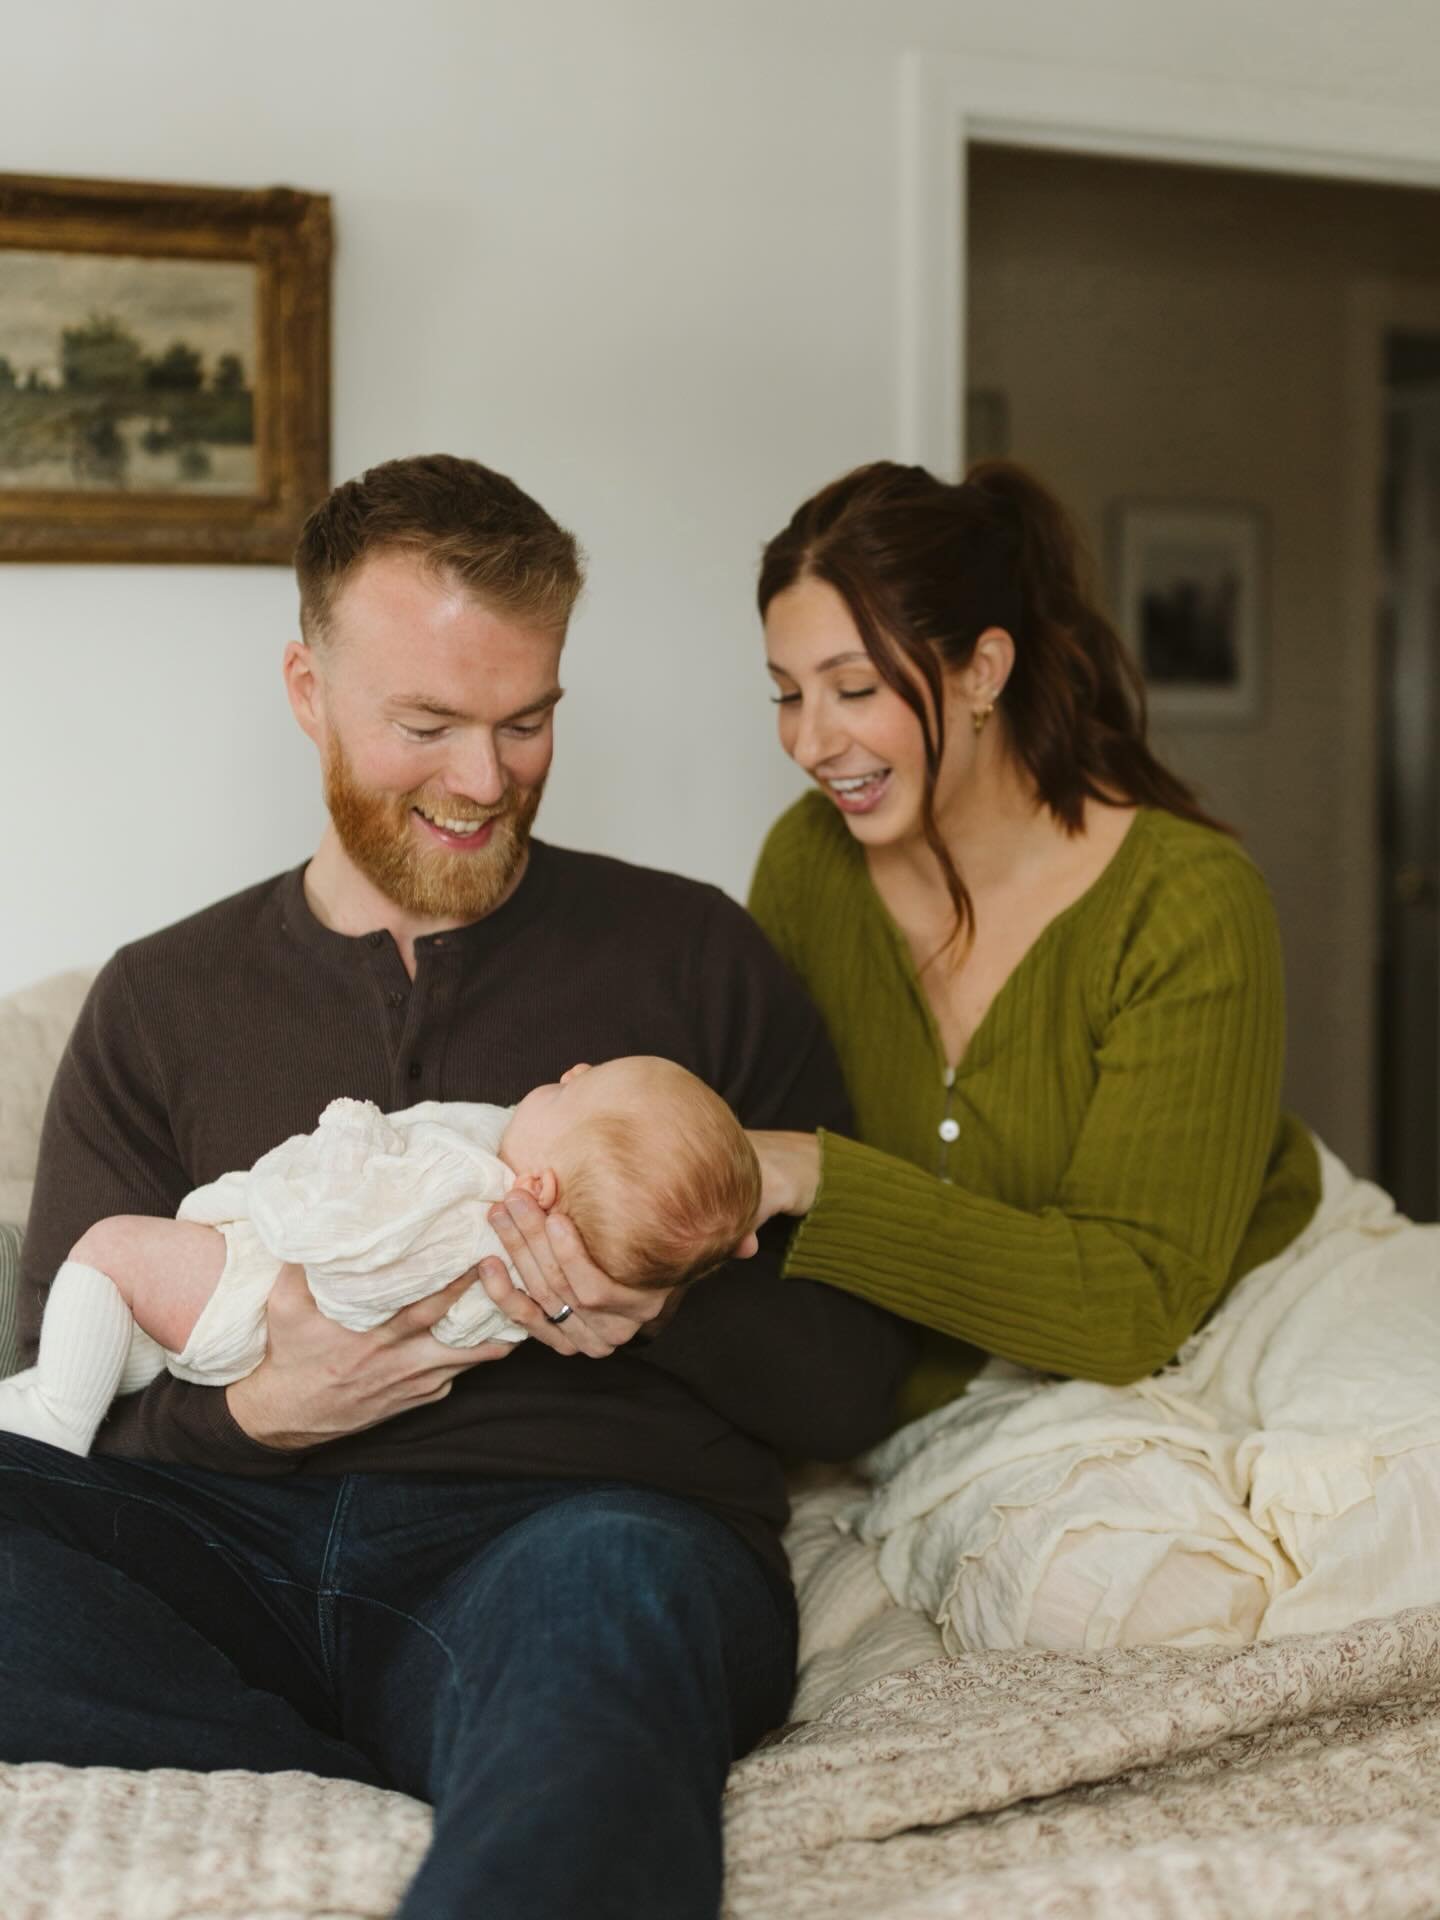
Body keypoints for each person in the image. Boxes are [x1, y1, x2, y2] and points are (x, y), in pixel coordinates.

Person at [0, 454, 913, 1920]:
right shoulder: (161, 1002)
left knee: (617, 1603)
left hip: (569, 1529)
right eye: (427, 724)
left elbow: (851, 1390)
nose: (486, 780)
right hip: (221, 1554)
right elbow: (65, 1391)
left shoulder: (696, 962)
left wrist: (658, 1302)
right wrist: (252, 1413)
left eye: (527, 721)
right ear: (309, 690)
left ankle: (498, 1750)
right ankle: (382, 1749)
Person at [743, 458, 1322, 1427]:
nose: (810, 743)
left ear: (983, 671)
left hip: (1210, 1338)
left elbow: (1130, 1305)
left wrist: (814, 1174)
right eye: (786, 694)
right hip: (927, 1386)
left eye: (853, 688)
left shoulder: (1186, 907)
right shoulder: (807, 866)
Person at [0, 1056, 761, 1458]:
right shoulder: (522, 1215)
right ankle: (52, 1404)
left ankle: (57, 1421)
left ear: (539, 1187)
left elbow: (347, 1250)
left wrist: (350, 1135)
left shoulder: (461, 1191)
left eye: (573, 1093)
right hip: (235, 1407)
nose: (570, 1072)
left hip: (260, 1299)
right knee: (119, 1339)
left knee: (110, 1252)